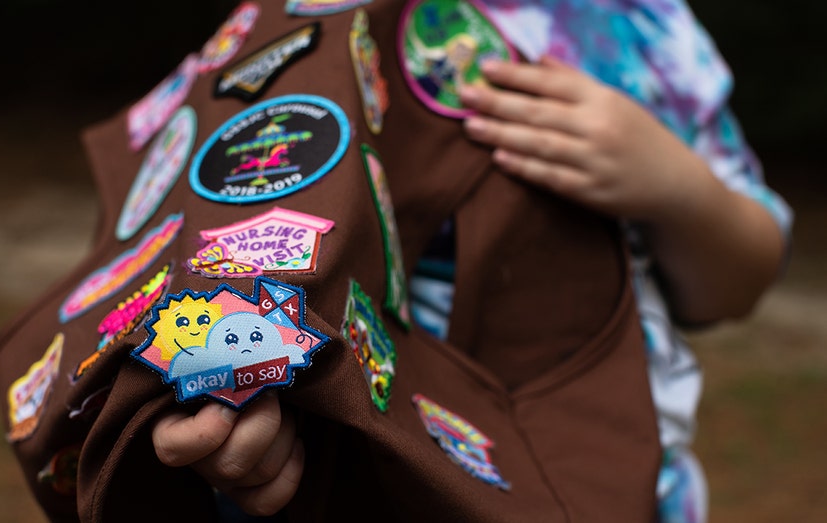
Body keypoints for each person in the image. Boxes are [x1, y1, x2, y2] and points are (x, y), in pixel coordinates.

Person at [149, 1, 793, 522]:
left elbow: (736, 288)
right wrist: (228, 396)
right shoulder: (300, 19)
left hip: (623, 479)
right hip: (370, 478)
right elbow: (212, 252)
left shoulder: (651, 27)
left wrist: (680, 189)